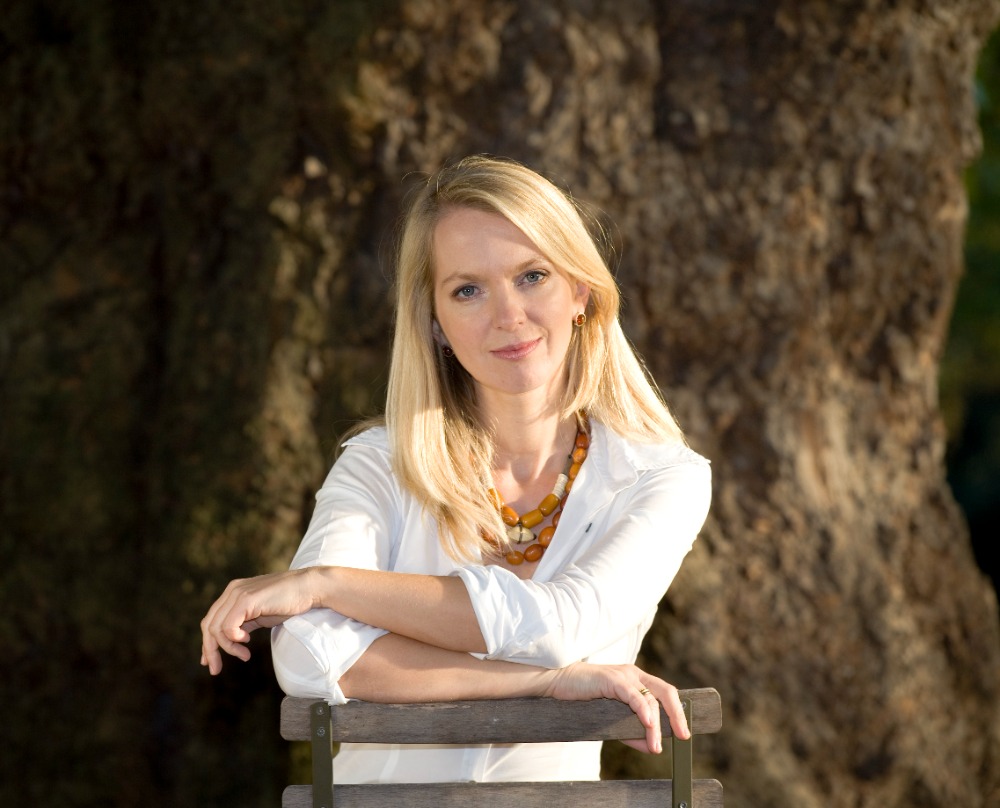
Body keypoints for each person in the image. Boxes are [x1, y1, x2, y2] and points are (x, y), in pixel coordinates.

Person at [199, 155, 711, 784]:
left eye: (532, 276)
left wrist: (328, 584)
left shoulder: (663, 478)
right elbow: (308, 655)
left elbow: (563, 624)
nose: (508, 315)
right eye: (468, 290)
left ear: (581, 289)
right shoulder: (378, 466)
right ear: (434, 322)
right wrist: (547, 683)